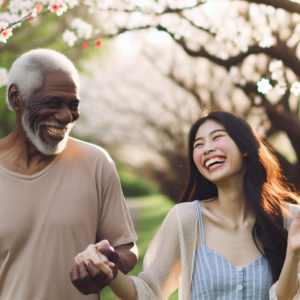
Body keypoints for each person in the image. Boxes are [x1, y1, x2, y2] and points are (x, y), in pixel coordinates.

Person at [77, 111, 300, 300]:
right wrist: (109, 270)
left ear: (245, 147)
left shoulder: (290, 219)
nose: (207, 149)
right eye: (198, 144)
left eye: (217, 137)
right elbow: (148, 290)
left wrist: (293, 255)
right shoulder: (186, 218)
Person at [0, 49, 138, 300]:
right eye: (52, 103)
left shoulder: (96, 162)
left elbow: (126, 249)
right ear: (15, 98)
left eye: (73, 105)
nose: (66, 116)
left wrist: (109, 261)